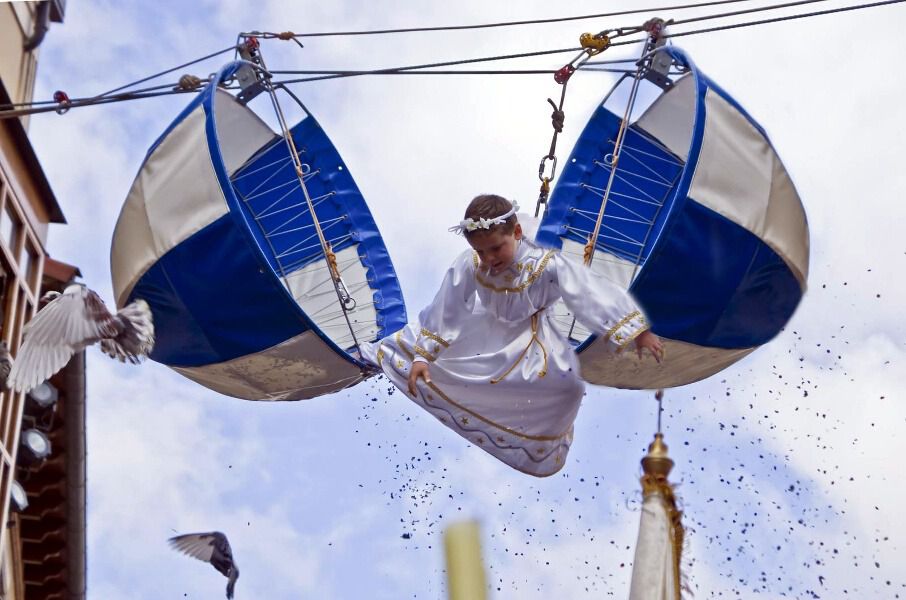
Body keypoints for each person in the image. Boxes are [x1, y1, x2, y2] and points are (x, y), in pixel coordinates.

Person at [360, 194, 663, 476]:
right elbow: (446, 310)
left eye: (495, 248)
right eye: (481, 251)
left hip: (533, 337)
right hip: (482, 326)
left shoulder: (547, 263)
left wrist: (636, 331)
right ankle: (369, 357)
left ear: (517, 233)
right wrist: (423, 355)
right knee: (416, 353)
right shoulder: (470, 264)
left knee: (569, 388)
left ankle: (536, 447)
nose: (489, 258)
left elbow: (588, 293)